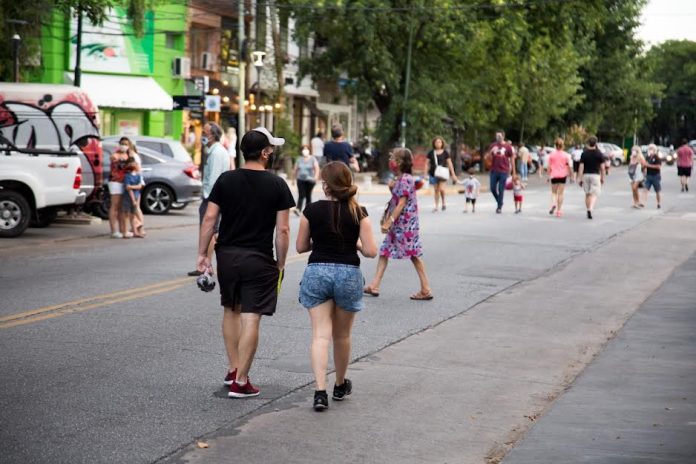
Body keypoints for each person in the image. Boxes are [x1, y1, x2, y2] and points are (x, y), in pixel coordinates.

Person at [196, 127, 295, 398]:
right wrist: (281, 263)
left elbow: (209, 219)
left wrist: (203, 253)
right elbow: (283, 231)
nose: (273, 152)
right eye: (271, 148)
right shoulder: (277, 185)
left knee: (231, 310)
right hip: (259, 258)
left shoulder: (226, 180)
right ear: (264, 153)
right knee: (252, 316)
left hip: (227, 255)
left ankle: (233, 369)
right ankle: (241, 381)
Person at [296, 162, 377, 411]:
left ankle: (320, 391)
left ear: (324, 184)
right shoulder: (359, 212)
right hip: (348, 274)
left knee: (320, 335)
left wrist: (319, 242)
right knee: (342, 335)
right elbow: (372, 251)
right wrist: (357, 246)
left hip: (317, 271)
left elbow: (300, 247)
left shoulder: (311, 210)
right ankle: (340, 384)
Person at [363, 148, 433, 300]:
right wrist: (391, 188)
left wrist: (389, 221)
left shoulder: (406, 179)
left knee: (414, 255)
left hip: (405, 225)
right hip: (400, 225)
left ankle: (426, 289)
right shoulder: (401, 179)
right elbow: (397, 198)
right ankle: (374, 285)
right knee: (385, 251)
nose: (392, 162)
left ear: (401, 163)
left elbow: (402, 203)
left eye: (394, 159)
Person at [188, 123, 231, 277]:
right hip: (212, 197)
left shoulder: (217, 152)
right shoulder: (213, 151)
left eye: (205, 133)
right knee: (212, 231)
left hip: (212, 197)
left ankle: (205, 265)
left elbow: (214, 179)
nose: (203, 136)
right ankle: (207, 264)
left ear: (213, 134)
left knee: (208, 230)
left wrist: (209, 199)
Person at [119, 137, 146, 237]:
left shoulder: (133, 156)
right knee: (134, 208)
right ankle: (136, 229)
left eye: (125, 144)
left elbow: (138, 169)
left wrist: (138, 181)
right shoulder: (130, 155)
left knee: (135, 208)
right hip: (136, 183)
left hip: (136, 182)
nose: (123, 146)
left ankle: (140, 226)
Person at [487, 130, 515, 214]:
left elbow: (512, 158)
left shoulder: (507, 146)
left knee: (501, 189)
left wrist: (513, 171)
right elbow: (488, 157)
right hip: (494, 170)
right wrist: (491, 152)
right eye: (496, 136)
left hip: (504, 170)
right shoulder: (493, 145)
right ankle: (499, 201)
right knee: (492, 188)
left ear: (503, 136)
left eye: (499, 136)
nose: (497, 138)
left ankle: (499, 207)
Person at [577, 136, 606, 219]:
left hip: (586, 175)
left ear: (588, 143)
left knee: (587, 194)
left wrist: (579, 178)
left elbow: (581, 167)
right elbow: (603, 168)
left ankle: (588, 209)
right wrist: (603, 177)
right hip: (595, 175)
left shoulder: (584, 153)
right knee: (594, 194)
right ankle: (590, 209)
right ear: (596, 143)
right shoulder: (599, 153)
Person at [427, 136, 457, 212]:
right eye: (436, 142)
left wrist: (453, 174)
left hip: (443, 174)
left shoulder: (445, 152)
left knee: (442, 189)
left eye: (439, 142)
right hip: (433, 173)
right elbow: (426, 163)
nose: (438, 144)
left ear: (442, 143)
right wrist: (425, 173)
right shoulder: (431, 153)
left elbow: (450, 163)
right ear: (434, 143)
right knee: (436, 190)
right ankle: (436, 206)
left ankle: (443, 202)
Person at [546, 138, 573, 217]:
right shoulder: (566, 155)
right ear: (563, 145)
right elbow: (569, 166)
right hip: (563, 175)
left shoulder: (551, 154)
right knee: (560, 193)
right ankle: (559, 211)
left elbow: (548, 166)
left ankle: (554, 204)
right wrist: (572, 176)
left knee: (554, 192)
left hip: (554, 175)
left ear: (555, 145)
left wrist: (548, 176)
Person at [108, 143, 129, 238]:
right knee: (115, 205)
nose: (123, 146)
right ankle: (114, 231)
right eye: (122, 143)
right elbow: (113, 158)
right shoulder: (115, 155)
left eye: (126, 144)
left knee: (122, 207)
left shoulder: (129, 155)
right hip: (115, 181)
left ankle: (122, 230)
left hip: (125, 182)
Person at [293, 144, 320, 216]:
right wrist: (293, 179)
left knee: (308, 195)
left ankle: (308, 210)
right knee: (301, 194)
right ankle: (298, 209)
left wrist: (316, 177)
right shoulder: (299, 159)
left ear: (309, 150)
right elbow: (295, 169)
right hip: (300, 179)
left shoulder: (313, 159)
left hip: (310, 180)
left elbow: (317, 168)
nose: (305, 151)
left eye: (306, 149)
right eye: (303, 149)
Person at [121, 157, 145, 238]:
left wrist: (132, 187)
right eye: (130, 164)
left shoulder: (138, 175)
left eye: (133, 163)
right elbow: (128, 188)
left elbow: (139, 186)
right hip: (128, 197)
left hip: (136, 196)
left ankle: (135, 231)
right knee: (126, 214)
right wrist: (133, 199)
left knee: (132, 215)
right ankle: (125, 231)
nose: (132, 165)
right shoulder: (127, 176)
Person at [644, 143, 663, 209]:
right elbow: (645, 165)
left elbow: (658, 167)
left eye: (651, 149)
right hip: (648, 176)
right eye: (649, 149)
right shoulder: (647, 157)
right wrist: (644, 167)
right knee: (645, 189)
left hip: (655, 176)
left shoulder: (657, 157)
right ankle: (643, 203)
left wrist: (648, 165)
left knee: (657, 191)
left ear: (654, 150)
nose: (650, 150)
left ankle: (658, 203)